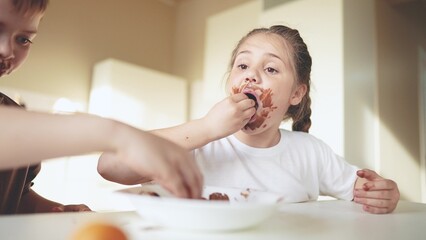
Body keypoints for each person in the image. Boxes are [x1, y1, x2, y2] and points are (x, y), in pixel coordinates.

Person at [151, 25, 400, 214]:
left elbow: (366, 191)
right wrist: (205, 128)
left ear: (296, 93)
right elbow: (114, 166)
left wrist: (384, 193)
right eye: (242, 66)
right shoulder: (200, 143)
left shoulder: (310, 152)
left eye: (270, 69)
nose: (251, 76)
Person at [0, 0, 202, 214]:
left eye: (23, 39)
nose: (6, 50)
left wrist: (54, 210)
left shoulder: (16, 114)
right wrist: (119, 136)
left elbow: (16, 197)